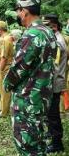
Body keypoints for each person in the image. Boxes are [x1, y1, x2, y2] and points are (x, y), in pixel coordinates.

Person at [3, 0, 57, 155]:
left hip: (27, 100)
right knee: (38, 142)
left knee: (27, 146)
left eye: (18, 12)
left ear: (25, 12)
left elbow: (18, 68)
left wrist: (7, 84)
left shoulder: (32, 35)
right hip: (42, 98)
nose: (18, 15)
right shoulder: (48, 32)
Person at [43, 14, 67, 153]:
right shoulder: (56, 38)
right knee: (49, 113)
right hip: (54, 81)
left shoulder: (57, 43)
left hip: (54, 82)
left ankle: (57, 143)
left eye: (47, 26)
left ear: (54, 26)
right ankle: (51, 134)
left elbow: (54, 65)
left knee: (53, 115)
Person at [0, 21, 14, 117]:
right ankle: (3, 110)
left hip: (4, 68)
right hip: (4, 67)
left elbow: (4, 57)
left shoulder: (5, 40)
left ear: (0, 29)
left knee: (4, 91)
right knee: (3, 90)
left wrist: (0, 71)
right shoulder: (7, 38)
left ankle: (4, 112)